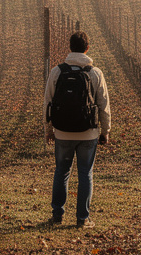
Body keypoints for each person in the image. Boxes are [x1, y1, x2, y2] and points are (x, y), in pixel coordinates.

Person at [44, 31, 112, 228]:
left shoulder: (57, 72)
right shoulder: (95, 73)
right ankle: (82, 219)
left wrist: (49, 130)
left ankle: (57, 215)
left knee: (61, 172)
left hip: (62, 132)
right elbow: (103, 105)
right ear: (87, 49)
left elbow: (47, 103)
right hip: (88, 133)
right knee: (85, 173)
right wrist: (105, 132)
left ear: (70, 47)